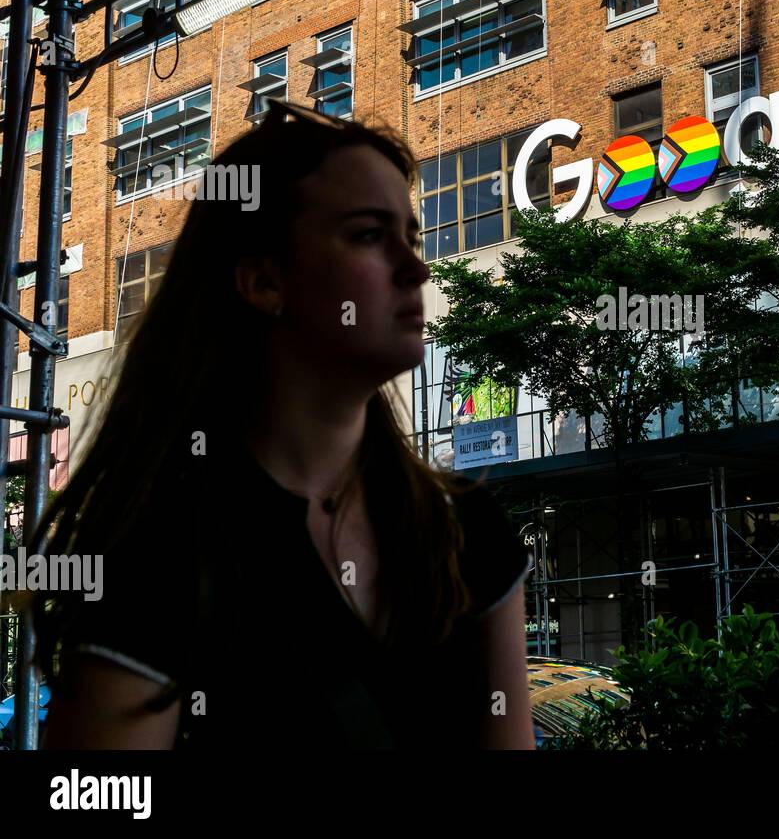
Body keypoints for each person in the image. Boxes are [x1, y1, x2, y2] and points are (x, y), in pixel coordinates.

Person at [29, 100, 535, 749]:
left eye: (410, 235)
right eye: (368, 235)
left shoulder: (470, 535)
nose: (418, 268)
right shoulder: (160, 555)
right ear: (265, 281)